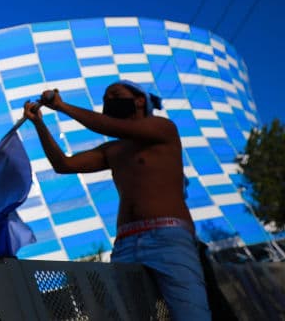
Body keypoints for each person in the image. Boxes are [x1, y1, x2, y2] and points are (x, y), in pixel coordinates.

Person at [23, 81, 211, 320]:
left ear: (140, 100)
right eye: (105, 98)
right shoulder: (113, 149)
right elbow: (64, 164)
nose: (108, 101)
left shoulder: (163, 128)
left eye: (115, 95)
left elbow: (109, 126)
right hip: (125, 244)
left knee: (191, 315)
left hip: (168, 238)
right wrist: (39, 123)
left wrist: (62, 106)